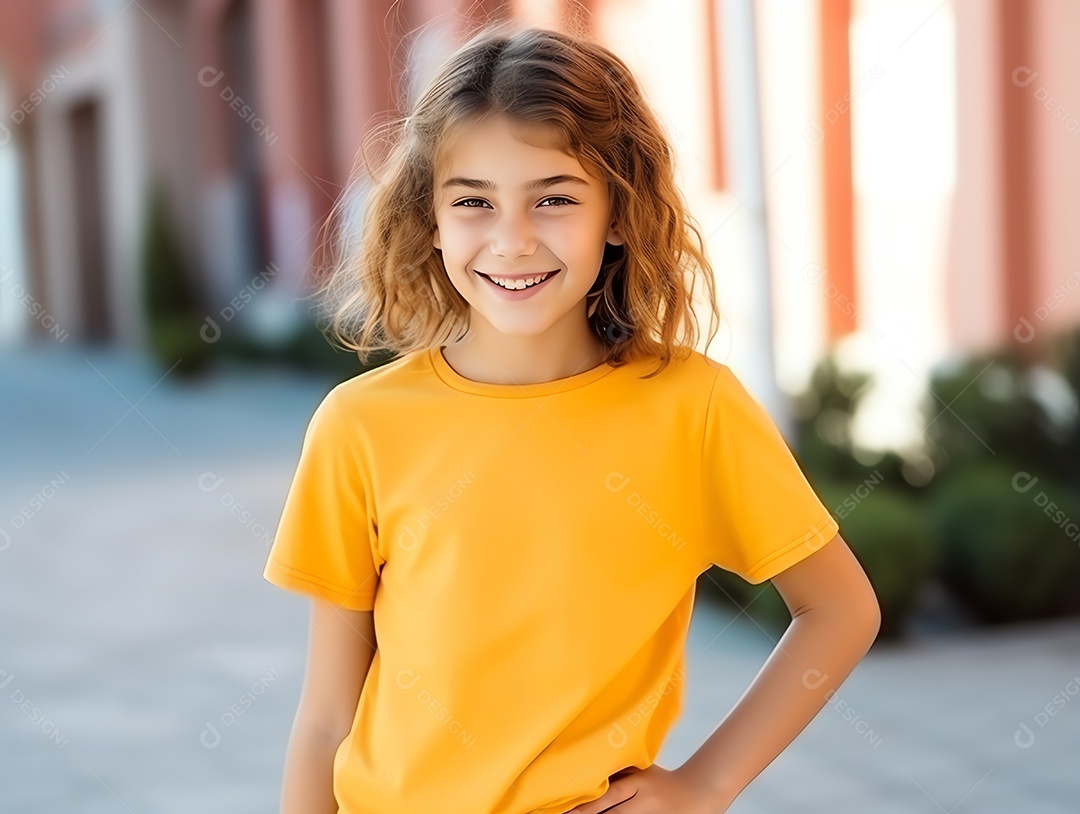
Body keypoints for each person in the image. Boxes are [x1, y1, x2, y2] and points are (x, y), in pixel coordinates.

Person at [262, 21, 881, 814]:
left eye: (553, 199)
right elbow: (325, 718)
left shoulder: (692, 407)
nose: (512, 240)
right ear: (432, 220)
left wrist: (708, 782)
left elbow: (840, 608)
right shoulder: (359, 425)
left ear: (617, 212)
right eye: (473, 202)